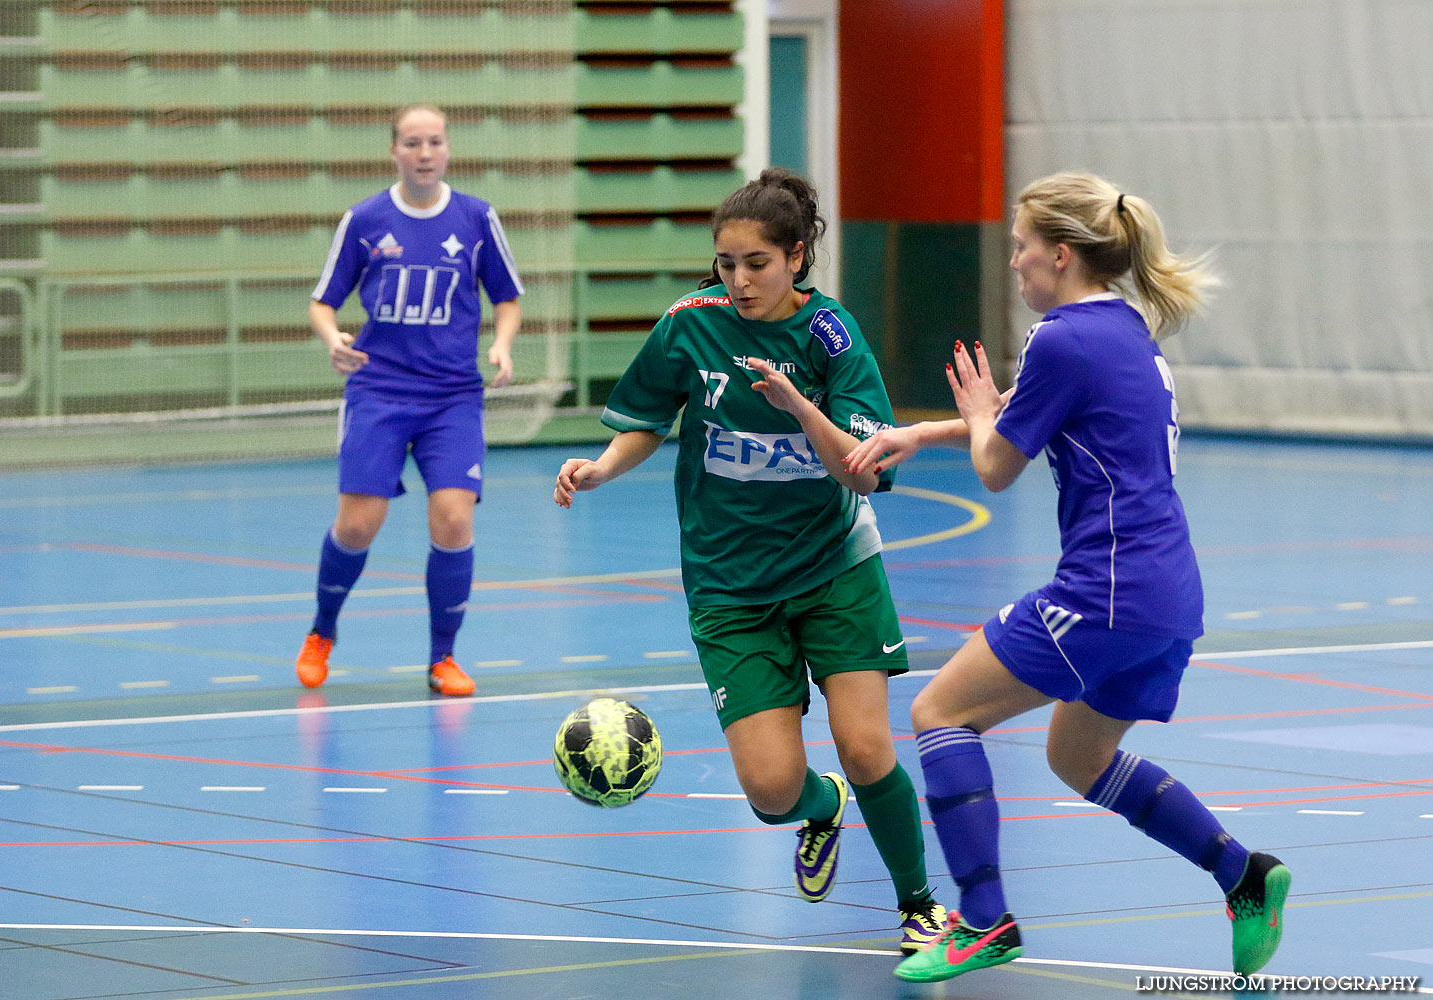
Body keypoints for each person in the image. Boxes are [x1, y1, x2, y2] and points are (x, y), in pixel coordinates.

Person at [844, 171, 1291, 983]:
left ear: (1059, 254)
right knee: (1078, 757)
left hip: (1106, 592)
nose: (1012, 264)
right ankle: (1243, 874)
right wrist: (924, 432)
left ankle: (984, 922)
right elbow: (1023, 413)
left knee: (940, 712)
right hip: (1167, 595)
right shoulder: (1120, 327)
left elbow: (997, 463)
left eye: (1019, 249)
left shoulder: (1060, 337)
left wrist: (976, 417)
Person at [553, 167, 947, 955]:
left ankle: (919, 906)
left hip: (834, 567)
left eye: (756, 264)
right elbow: (647, 418)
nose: (737, 280)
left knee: (867, 748)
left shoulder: (832, 338)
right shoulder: (689, 324)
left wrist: (798, 407)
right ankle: (819, 807)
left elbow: (862, 471)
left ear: (797, 256)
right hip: (729, 587)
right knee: (771, 794)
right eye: (726, 263)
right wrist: (602, 466)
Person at [294, 103, 524, 696]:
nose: (425, 153)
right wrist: (331, 339)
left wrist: (500, 345)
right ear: (394, 150)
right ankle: (322, 630)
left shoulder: (476, 218)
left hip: (451, 395)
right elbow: (323, 301)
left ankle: (443, 658)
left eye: (436, 142)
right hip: (379, 388)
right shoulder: (365, 219)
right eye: (413, 143)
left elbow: (507, 297)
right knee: (359, 524)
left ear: (448, 149)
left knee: (452, 519)